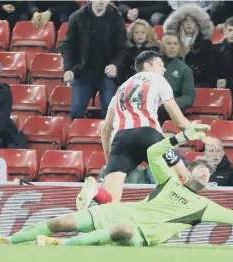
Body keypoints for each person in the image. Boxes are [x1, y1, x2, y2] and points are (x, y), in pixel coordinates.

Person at [0, 124, 233, 247]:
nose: (204, 175)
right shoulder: (170, 181)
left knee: (123, 230)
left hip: (140, 234)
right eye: (200, 170)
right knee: (59, 221)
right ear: (189, 173)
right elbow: (154, 150)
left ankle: (62, 247)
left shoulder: (205, 207)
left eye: (208, 175)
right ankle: (8, 240)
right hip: (118, 211)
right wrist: (183, 136)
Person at [75, 51, 192, 210]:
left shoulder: (121, 88)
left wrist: (112, 162)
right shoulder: (158, 79)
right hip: (149, 135)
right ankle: (171, 219)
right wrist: (204, 138)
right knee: (183, 177)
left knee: (110, 202)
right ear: (147, 66)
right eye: (160, 65)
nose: (164, 69)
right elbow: (179, 120)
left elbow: (106, 129)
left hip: (121, 138)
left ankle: (94, 190)